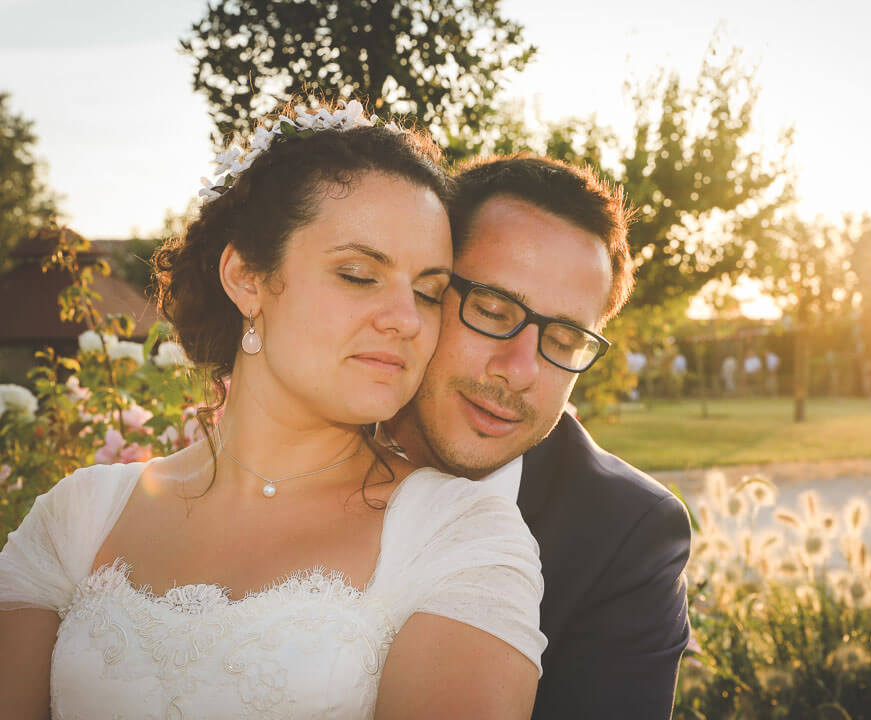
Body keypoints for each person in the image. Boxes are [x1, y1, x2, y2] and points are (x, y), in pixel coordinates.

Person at [0, 102, 545, 719]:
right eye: (359, 275)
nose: (405, 320)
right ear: (247, 278)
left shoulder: (460, 536)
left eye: (427, 292)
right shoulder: (76, 517)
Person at [385, 156, 692, 718]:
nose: (519, 369)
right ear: (428, 291)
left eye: (566, 338)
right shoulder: (315, 438)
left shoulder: (628, 532)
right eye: (493, 310)